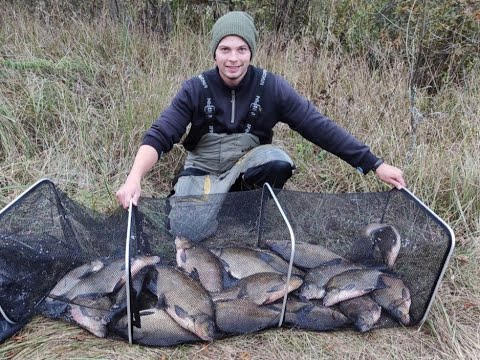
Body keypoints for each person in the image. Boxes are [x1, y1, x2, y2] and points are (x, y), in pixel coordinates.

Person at [116, 11, 405, 239]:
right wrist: (134, 178)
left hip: (247, 160)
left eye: (242, 49)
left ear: (251, 52)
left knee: (278, 161)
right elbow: (160, 134)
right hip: (203, 167)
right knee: (187, 230)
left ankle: (244, 209)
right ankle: (196, 197)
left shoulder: (272, 87)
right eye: (225, 49)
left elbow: (318, 127)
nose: (233, 58)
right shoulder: (195, 89)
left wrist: (374, 164)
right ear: (214, 52)